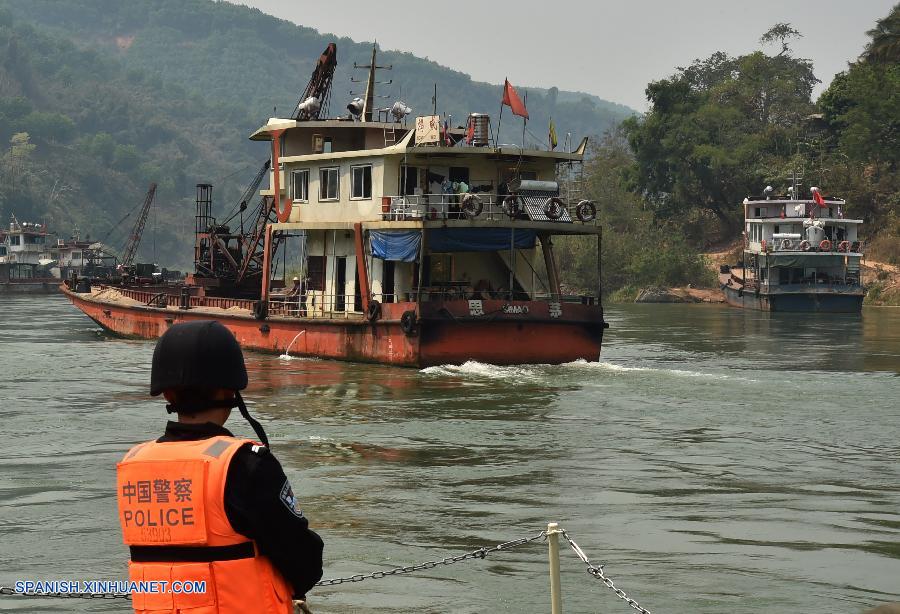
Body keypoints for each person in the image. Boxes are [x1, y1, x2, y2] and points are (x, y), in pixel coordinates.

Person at [117, 321, 323, 613]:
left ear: (166, 394)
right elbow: (305, 560)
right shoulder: (245, 463)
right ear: (230, 389)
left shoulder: (132, 464)